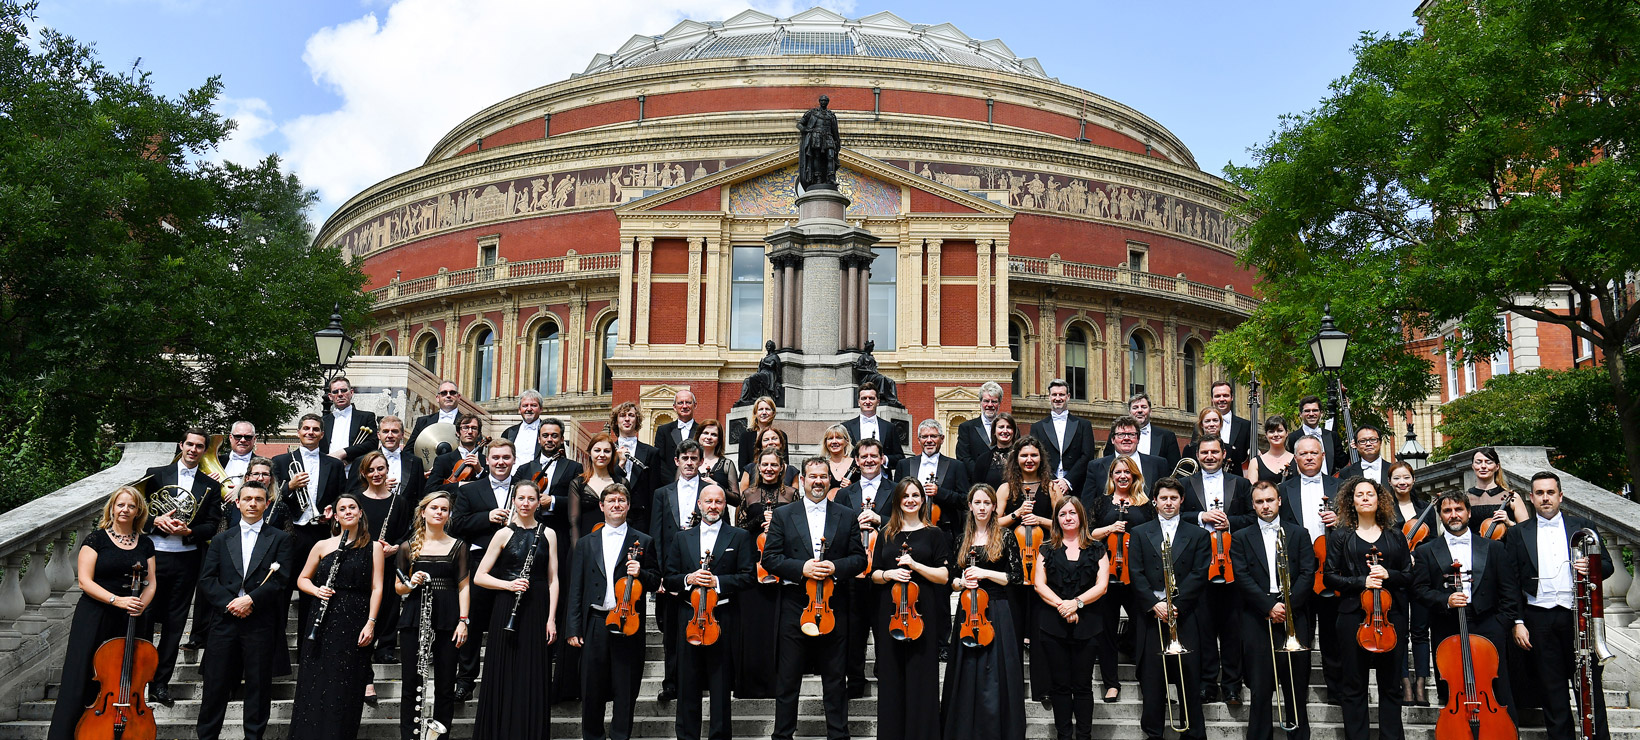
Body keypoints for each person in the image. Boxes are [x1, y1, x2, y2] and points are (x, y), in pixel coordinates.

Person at [762, 457, 868, 740]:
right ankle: (782, 736)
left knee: (835, 678)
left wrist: (835, 567)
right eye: (812, 476)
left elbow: (859, 559)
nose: (818, 481)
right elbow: (769, 558)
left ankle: (838, 735)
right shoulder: (784, 515)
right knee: (788, 679)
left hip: (834, 605)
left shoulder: (847, 515)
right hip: (795, 604)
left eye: (823, 476)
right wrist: (802, 569)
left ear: (829, 480)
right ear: (802, 480)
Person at [1506, 471, 1615, 740]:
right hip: (1538, 618)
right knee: (1551, 692)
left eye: (1550, 492)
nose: (1545, 498)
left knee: (1589, 688)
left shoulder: (1582, 526)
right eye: (1539, 493)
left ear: (1560, 496)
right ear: (1531, 498)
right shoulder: (1518, 533)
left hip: (1577, 616)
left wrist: (1590, 566)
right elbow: (1511, 582)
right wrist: (1518, 622)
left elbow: (1608, 566)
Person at [48, 486, 159, 740]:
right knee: (81, 678)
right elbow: (84, 582)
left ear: (138, 511)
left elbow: (151, 582)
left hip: (131, 617)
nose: (125, 510)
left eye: (131, 506)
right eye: (121, 505)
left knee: (125, 680)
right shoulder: (96, 539)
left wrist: (140, 604)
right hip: (95, 615)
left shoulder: (146, 543)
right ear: (112, 508)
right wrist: (117, 600)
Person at [194, 481, 291, 740]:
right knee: (215, 686)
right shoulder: (220, 539)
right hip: (224, 621)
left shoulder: (280, 538)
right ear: (237, 503)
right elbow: (207, 579)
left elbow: (281, 581)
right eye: (247, 499)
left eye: (258, 499)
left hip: (259, 621)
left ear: (267, 504)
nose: (252, 504)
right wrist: (231, 604)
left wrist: (250, 600)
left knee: (258, 687)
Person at [1411, 491, 1519, 715]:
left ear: (1469, 513)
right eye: (1447, 511)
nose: (1453, 515)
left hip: (1488, 624)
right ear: (1440, 515)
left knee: (1498, 689)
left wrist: (1500, 625)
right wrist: (1445, 600)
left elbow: (1509, 591)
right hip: (1447, 626)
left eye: (1459, 509)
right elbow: (1419, 590)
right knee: (1453, 689)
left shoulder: (1493, 547)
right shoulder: (1425, 551)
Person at [1323, 476, 1412, 740]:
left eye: (1370, 494)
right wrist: (1361, 581)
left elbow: (1409, 575)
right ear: (1351, 501)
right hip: (1353, 616)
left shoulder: (1395, 535)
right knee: (1354, 684)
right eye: (1359, 494)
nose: (1364, 498)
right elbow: (1329, 576)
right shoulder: (1341, 536)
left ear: (1379, 499)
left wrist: (1389, 574)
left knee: (1391, 685)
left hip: (1391, 616)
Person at [141, 427, 224, 707]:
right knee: (144, 619)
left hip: (186, 560)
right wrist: (155, 521)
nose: (193, 450)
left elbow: (211, 525)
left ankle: (160, 685)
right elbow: (136, 510)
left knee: (174, 624)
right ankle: (139, 680)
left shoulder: (210, 485)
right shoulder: (155, 475)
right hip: (153, 557)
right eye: (189, 444)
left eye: (199, 446)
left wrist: (189, 532)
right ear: (181, 445)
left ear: (204, 450)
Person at [291, 492, 385, 740]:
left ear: (360, 512)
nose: (348, 512)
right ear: (335, 515)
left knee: (346, 684)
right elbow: (302, 579)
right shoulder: (322, 545)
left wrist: (371, 623)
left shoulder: (374, 547)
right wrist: (316, 590)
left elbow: (377, 587)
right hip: (323, 618)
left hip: (355, 618)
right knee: (316, 681)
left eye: (352, 507)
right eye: (342, 509)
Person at [568, 483, 658, 740]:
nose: (616, 505)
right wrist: (573, 627)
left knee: (625, 688)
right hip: (595, 622)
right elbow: (576, 587)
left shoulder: (644, 541)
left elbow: (655, 581)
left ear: (628, 506)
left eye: (621, 501)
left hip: (628, 624)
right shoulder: (586, 543)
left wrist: (642, 573)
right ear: (601, 506)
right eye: (611, 501)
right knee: (591, 688)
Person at [472, 480, 560, 740]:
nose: (525, 503)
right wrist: (508, 585)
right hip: (507, 605)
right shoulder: (503, 534)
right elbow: (479, 576)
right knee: (504, 671)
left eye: (531, 499)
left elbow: (553, 579)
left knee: (532, 674)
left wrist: (551, 619)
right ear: (514, 501)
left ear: (538, 502)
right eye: (521, 498)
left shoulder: (549, 534)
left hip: (537, 606)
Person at [1229, 480, 1316, 740]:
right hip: (1258, 616)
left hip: (1294, 613)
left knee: (1296, 686)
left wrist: (1288, 606)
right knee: (1260, 687)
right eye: (1259, 502)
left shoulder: (1299, 533)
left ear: (1279, 501)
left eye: (1269, 500)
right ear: (1253, 505)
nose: (1265, 506)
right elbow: (1242, 576)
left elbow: (1307, 573)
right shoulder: (1241, 537)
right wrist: (1268, 606)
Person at [667, 483, 754, 740]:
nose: (713, 506)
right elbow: (669, 578)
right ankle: (687, 736)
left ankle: (720, 736)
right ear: (699, 504)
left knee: (721, 683)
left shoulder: (739, 536)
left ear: (724, 505)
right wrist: (689, 579)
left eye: (718, 502)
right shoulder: (681, 538)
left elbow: (748, 577)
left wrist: (717, 581)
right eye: (709, 501)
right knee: (687, 683)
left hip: (723, 616)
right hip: (689, 616)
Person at [868, 478, 951, 740]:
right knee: (891, 677)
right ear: (898, 501)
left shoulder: (934, 533)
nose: (911, 500)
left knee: (922, 677)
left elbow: (944, 576)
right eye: (905, 496)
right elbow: (874, 574)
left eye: (915, 495)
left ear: (923, 500)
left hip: (922, 612)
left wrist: (915, 566)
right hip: (890, 611)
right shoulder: (886, 533)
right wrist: (889, 574)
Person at [942, 484, 1026, 740]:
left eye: (986, 503)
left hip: (997, 609)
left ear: (994, 507)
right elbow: (952, 579)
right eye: (977, 503)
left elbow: (1017, 577)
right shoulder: (962, 539)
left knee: (996, 672)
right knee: (966, 669)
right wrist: (961, 583)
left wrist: (984, 573)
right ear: (970, 506)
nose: (981, 507)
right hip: (968, 611)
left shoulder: (1005, 535)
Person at [1130, 478, 1209, 740]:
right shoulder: (1140, 532)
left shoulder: (1198, 534)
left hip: (1184, 614)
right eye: (1163, 498)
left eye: (1173, 498)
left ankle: (1193, 734)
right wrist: (1155, 604)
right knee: (1152, 681)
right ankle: (1153, 734)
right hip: (1152, 616)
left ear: (1182, 500)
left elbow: (1199, 574)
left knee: (1189, 679)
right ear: (1154, 501)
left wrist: (1176, 605)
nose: (1168, 503)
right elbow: (1136, 573)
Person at [510, 416, 582, 702]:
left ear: (561, 439)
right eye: (545, 435)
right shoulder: (525, 469)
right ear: (538, 438)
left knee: (558, 593)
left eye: (554, 435)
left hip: (559, 537)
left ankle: (555, 660)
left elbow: (580, 501)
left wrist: (555, 501)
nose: (549, 439)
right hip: (527, 536)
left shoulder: (573, 468)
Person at [1178, 436, 1253, 704]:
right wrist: (1202, 517)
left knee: (1233, 629)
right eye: (1204, 452)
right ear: (1197, 455)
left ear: (1223, 454)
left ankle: (1232, 685)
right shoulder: (1185, 484)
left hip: (1232, 566)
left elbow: (1252, 517)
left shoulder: (1241, 484)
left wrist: (1229, 522)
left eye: (1214, 452)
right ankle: (1207, 684)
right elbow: (1174, 516)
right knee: (1205, 629)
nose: (1209, 457)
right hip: (1199, 565)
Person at [995, 436, 1070, 704]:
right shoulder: (1006, 488)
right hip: (1013, 565)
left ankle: (1043, 688)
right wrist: (1017, 514)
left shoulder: (1052, 488)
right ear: (1016, 459)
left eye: (1034, 455)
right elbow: (994, 523)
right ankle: (1012, 689)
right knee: (1013, 629)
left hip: (1044, 564)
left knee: (1041, 630)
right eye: (1024, 455)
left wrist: (1039, 519)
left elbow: (1065, 523)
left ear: (1041, 459)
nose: (1029, 460)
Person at [1035, 495, 1111, 740]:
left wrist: (1076, 604)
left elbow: (1102, 586)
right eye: (1062, 514)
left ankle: (1084, 736)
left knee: (1083, 685)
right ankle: (1064, 735)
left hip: (1088, 624)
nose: (1067, 518)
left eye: (1072, 513)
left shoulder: (1097, 548)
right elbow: (1039, 584)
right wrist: (1064, 607)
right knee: (1059, 685)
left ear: (1081, 516)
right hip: (1052, 625)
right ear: (1056, 519)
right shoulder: (1046, 548)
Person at [395, 491, 470, 740]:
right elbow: (398, 588)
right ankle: (410, 736)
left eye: (444, 509)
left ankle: (438, 737)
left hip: (448, 619)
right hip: (415, 618)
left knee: (446, 685)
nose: (439, 512)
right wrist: (411, 583)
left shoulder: (458, 546)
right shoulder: (408, 547)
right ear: (423, 512)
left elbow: (463, 587)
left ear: (449, 515)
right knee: (411, 683)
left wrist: (463, 621)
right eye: (434, 508)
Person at [448, 439, 519, 700]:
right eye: (496, 457)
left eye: (506, 458)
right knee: (473, 622)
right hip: (479, 565)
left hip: (513, 565)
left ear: (514, 460)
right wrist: (486, 517)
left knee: (510, 624)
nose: (501, 462)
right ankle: (465, 681)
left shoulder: (522, 488)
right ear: (486, 461)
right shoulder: (470, 490)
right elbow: (456, 525)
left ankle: (505, 679)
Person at [1277, 435, 1343, 698]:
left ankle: (1336, 691)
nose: (1309, 457)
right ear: (1295, 458)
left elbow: (1356, 521)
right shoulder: (1283, 489)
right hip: (1297, 572)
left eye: (1314, 453)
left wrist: (1340, 520)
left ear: (1323, 456)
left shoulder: (1340, 486)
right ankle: (1298, 692)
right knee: (1300, 635)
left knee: (1332, 635)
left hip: (1331, 570)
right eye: (1303, 454)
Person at [733, 446, 799, 699]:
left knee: (779, 627)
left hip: (782, 564)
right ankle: (751, 683)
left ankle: (778, 684)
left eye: (774, 465)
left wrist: (779, 525)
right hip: (755, 564)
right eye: (765, 465)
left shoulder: (792, 494)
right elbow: (739, 530)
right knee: (754, 625)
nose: (769, 469)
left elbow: (798, 529)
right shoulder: (748, 494)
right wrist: (758, 522)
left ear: (781, 468)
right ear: (758, 468)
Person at [1088, 455, 1154, 702]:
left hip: (1136, 573)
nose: (1123, 476)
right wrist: (1110, 529)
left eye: (1127, 472)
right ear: (1112, 476)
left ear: (1135, 475)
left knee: (1142, 626)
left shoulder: (1145, 504)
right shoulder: (1102, 502)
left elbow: (1153, 534)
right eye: (1118, 472)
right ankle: (1111, 684)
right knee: (1106, 629)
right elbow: (1089, 534)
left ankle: (1147, 680)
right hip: (1106, 571)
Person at [834, 436, 894, 697]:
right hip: (854, 573)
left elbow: (905, 523)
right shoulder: (844, 493)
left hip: (884, 570)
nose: (869, 460)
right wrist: (853, 525)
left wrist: (881, 519)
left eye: (874, 456)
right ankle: (856, 681)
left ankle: (886, 677)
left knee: (884, 628)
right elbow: (835, 528)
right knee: (854, 630)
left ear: (882, 459)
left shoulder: (896, 489)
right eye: (864, 457)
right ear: (856, 461)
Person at [651, 439, 709, 703]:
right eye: (684, 458)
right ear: (676, 461)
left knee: (702, 624)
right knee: (671, 633)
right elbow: (657, 536)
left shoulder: (710, 491)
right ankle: (671, 683)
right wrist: (660, 576)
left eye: (694, 458)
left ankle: (700, 682)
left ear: (701, 461)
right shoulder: (662, 493)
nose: (689, 463)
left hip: (702, 570)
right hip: (671, 574)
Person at [355, 450, 414, 668]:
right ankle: (363, 644)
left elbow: (405, 532)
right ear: (363, 473)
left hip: (390, 560)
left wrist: (395, 547)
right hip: (362, 559)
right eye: (370, 470)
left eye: (380, 468)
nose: (376, 473)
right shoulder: (357, 500)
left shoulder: (399, 502)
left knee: (390, 603)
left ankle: (386, 648)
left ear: (387, 470)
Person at [1387, 461, 1432, 704]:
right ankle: (1404, 682)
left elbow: (1433, 542)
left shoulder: (1426, 508)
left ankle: (1421, 683)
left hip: (1422, 575)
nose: (1402, 482)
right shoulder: (1384, 509)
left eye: (1406, 477)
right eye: (1397, 478)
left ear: (1413, 480)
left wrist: (1417, 554)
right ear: (1390, 482)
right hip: (1397, 576)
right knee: (1400, 631)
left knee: (1421, 631)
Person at [1029, 379, 1097, 495]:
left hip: (1077, 487)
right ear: (1049, 397)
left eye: (1061, 394)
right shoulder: (1037, 427)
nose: (1058, 398)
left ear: (1068, 397)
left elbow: (1087, 456)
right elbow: (1035, 457)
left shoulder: (1084, 425)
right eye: (1054, 394)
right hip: (1047, 486)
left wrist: (1067, 481)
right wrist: (1052, 482)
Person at [611, 400, 662, 533]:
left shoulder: (651, 452)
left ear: (637, 420)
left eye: (631, 415)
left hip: (641, 518)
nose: (627, 419)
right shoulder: (607, 451)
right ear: (616, 421)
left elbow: (654, 490)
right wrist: (620, 464)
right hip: (612, 513)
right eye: (622, 415)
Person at [1085, 415, 1167, 498]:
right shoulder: (1096, 466)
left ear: (1138, 439)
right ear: (1113, 439)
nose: (1126, 438)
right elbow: (1088, 501)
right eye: (1121, 434)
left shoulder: (1158, 464)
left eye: (1131, 434)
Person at [1102, 392, 1181, 469]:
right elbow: (1108, 464)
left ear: (1150, 411)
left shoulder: (1167, 436)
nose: (1139, 410)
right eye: (1135, 407)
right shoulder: (1116, 435)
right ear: (1129, 412)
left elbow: (1175, 470)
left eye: (1143, 407)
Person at [571, 432, 628, 536]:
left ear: (612, 454)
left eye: (607, 451)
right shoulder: (578, 483)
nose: (602, 455)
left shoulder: (622, 482)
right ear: (590, 453)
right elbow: (574, 522)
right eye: (597, 450)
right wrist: (577, 546)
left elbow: (628, 517)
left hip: (616, 538)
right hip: (585, 539)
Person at [1468, 447, 1529, 537]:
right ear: (1473, 466)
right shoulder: (1466, 498)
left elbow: (1527, 531)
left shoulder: (1512, 497)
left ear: (1497, 467)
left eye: (1488, 462)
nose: (1483, 466)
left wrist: (1509, 523)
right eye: (1478, 462)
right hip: (1474, 545)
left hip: (1506, 545)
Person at [320, 376, 379, 464]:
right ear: (330, 396)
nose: (340, 394)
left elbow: (372, 444)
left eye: (343, 390)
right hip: (329, 468)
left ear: (351, 392)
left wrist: (344, 453)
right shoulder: (323, 421)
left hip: (355, 468)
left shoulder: (366, 417)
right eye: (335, 392)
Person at [955, 381, 1005, 481]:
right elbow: (963, 457)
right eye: (986, 401)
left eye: (994, 401)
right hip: (976, 482)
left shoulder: (1009, 429)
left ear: (999, 403)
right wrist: (981, 475)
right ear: (980, 402)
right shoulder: (967, 428)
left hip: (1003, 481)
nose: (990, 405)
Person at [427, 414, 488, 491]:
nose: (470, 432)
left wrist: (480, 471)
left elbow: (492, 489)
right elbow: (430, 489)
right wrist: (459, 485)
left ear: (479, 434)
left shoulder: (486, 461)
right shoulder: (443, 460)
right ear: (458, 433)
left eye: (474, 428)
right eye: (465, 428)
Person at [654, 389, 702, 481]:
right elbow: (659, 460)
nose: (684, 406)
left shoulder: (702, 430)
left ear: (695, 405)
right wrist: (674, 483)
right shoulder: (663, 431)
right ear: (674, 407)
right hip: (669, 483)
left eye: (688, 402)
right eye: (680, 403)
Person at [1294, 395, 1348, 475]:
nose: (1311, 414)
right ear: (1300, 414)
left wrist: (1352, 447)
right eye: (1307, 411)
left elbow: (1342, 463)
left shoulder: (1332, 436)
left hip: (1329, 481)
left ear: (1321, 413)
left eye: (1315, 410)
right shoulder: (1292, 438)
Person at [1210, 381, 1254, 474]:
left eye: (1225, 395)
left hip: (1236, 477)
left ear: (1232, 397)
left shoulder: (1245, 425)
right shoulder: (1201, 425)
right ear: (1212, 399)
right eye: (1217, 396)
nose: (1221, 399)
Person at [407, 380, 463, 451]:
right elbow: (409, 450)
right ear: (437, 398)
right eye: (444, 393)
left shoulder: (469, 422)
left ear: (458, 397)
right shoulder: (422, 422)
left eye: (452, 393)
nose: (448, 395)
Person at [697, 419, 742, 503]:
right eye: (705, 433)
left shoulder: (727, 464)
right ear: (699, 436)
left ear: (718, 440)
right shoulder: (689, 462)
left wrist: (717, 485)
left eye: (714, 435)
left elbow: (736, 500)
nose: (709, 437)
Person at [970, 412, 1018, 489]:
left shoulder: (1021, 457)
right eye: (1001, 427)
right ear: (994, 432)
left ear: (1014, 431)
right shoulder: (983, 460)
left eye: (1009, 427)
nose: (1005, 431)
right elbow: (977, 489)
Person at [1245, 415, 1294, 485]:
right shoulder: (1255, 462)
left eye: (1280, 431)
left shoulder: (1297, 460)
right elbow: (1253, 490)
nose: (1276, 434)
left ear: (1286, 433)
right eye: (1271, 431)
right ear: (1266, 435)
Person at [737, 395, 779, 470]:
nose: (764, 412)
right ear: (755, 413)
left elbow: (785, 464)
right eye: (760, 409)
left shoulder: (781, 435)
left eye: (767, 409)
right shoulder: (745, 436)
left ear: (773, 412)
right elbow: (742, 466)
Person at [822, 424, 860, 490]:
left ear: (846, 441)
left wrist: (851, 488)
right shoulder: (822, 465)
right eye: (830, 438)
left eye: (838, 438)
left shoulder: (857, 464)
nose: (834, 441)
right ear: (826, 443)